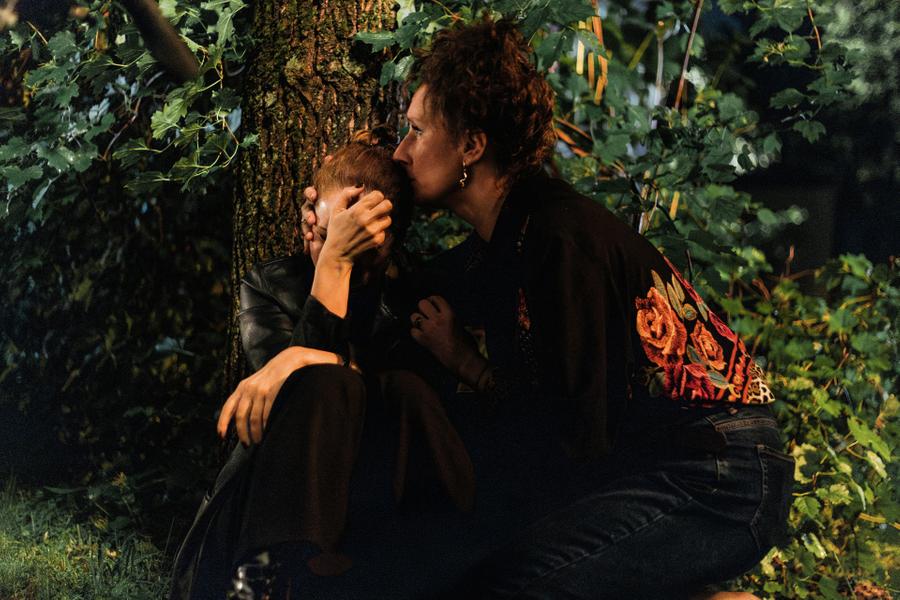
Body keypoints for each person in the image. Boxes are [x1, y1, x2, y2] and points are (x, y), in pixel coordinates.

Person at [309, 17, 793, 598]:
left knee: (508, 584)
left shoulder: (560, 239)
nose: (401, 152)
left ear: (471, 146)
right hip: (663, 469)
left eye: (416, 131)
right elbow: (395, 316)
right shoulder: (498, 245)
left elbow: (576, 442)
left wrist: (471, 371)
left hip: (720, 476)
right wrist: (340, 254)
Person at [169, 130, 474, 600]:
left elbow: (399, 402)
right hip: (272, 512)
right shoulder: (271, 284)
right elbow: (299, 401)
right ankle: (273, 582)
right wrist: (332, 266)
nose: (343, 248)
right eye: (328, 232)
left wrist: (297, 355)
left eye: (360, 240)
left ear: (389, 239)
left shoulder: (412, 301)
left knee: (403, 388)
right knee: (329, 384)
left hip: (371, 516)